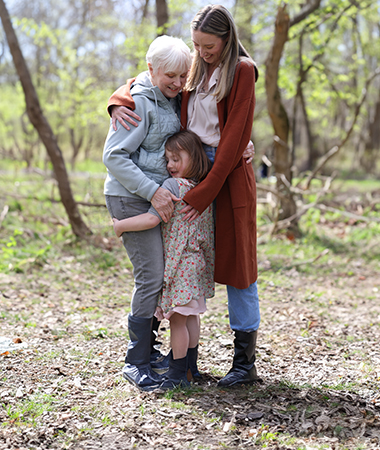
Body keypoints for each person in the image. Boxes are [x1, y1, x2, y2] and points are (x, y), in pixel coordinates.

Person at [109, 4, 261, 388]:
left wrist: (205, 192)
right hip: (190, 167)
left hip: (224, 171)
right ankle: (167, 358)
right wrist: (118, 100)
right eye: (197, 45)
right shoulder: (193, 67)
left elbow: (233, 135)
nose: (202, 53)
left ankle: (243, 363)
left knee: (238, 268)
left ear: (226, 41)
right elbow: (153, 77)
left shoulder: (241, 70)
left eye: (208, 46)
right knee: (176, 263)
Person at [103, 35, 192, 392]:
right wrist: (154, 192)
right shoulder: (138, 103)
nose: (178, 82)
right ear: (151, 69)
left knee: (162, 274)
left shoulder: (170, 98)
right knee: (151, 276)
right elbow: (113, 156)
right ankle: (136, 361)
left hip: (156, 199)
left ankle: (150, 353)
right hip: (131, 198)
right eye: (170, 75)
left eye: (183, 76)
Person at [113, 130, 214, 389]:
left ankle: (177, 374)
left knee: (178, 321)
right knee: (191, 317)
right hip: (197, 264)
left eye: (176, 158)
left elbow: (152, 218)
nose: (170, 165)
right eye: (167, 159)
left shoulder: (172, 187)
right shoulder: (204, 189)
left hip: (181, 265)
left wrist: (120, 225)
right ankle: (191, 368)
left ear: (194, 157)